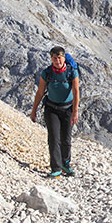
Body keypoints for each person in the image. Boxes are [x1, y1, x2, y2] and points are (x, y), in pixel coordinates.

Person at [30, 46, 80, 177]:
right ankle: (56, 168)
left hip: (67, 109)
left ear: (64, 58)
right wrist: (34, 110)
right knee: (53, 138)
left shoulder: (71, 72)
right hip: (51, 109)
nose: (57, 61)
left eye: (59, 58)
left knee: (66, 140)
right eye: (54, 58)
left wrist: (75, 112)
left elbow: (76, 91)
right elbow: (40, 92)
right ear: (51, 59)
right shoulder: (47, 73)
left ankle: (65, 164)